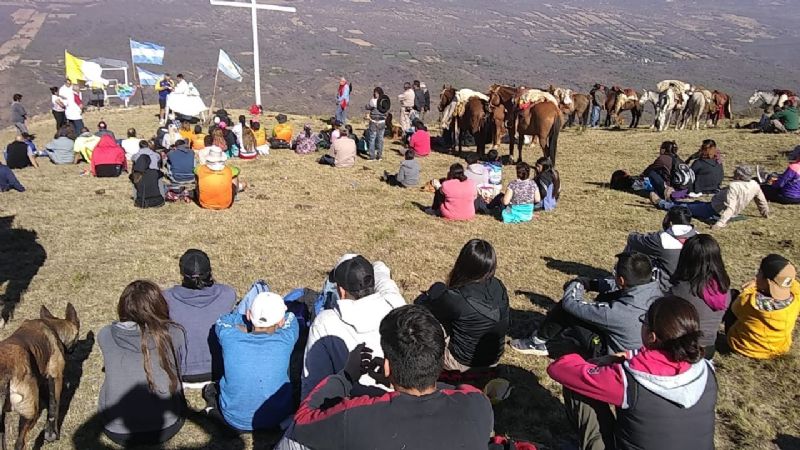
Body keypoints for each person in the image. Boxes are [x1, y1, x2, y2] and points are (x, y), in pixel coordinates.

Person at [281, 305, 494, 450]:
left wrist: (346, 376)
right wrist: (394, 379)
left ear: (386, 366)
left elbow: (302, 423)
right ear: (439, 361)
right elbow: (450, 390)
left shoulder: (354, 417)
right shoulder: (478, 405)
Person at [547, 296, 718, 450]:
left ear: (651, 337)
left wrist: (591, 361)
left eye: (644, 321)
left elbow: (560, 369)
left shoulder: (630, 379)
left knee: (577, 384)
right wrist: (624, 357)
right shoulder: (707, 370)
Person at [510, 252, 662, 357]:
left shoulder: (617, 312)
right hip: (640, 348)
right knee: (607, 295)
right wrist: (592, 284)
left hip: (612, 354)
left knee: (567, 310)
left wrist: (577, 283)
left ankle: (536, 343)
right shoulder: (658, 290)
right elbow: (614, 285)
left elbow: (571, 303)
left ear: (622, 280)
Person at [301, 254, 405, 399]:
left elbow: (313, 384)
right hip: (398, 401)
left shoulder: (325, 322)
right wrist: (377, 265)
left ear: (341, 291)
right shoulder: (396, 305)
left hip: (347, 411)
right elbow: (385, 279)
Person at [97, 280, 186, 447]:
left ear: (122, 307)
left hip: (116, 431)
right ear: (159, 306)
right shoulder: (175, 333)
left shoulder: (105, 335)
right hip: (167, 426)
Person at [204, 291, 299, 431]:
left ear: (249, 315)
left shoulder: (229, 337)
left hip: (234, 419)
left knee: (212, 390)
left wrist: (247, 318)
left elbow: (223, 320)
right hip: (278, 417)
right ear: (280, 321)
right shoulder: (286, 338)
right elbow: (291, 317)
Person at [418, 239, 509, 371]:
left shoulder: (457, 297)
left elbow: (431, 308)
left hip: (461, 362)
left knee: (424, 321)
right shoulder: (499, 286)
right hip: (493, 359)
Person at [164, 249, 237, 383]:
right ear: (210, 271)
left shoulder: (166, 298)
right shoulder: (228, 294)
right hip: (219, 369)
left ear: (182, 273)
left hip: (182, 372)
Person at [726, 254, 800, 359]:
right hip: (779, 349)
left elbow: (735, 309)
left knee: (732, 295)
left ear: (767, 282)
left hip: (745, 348)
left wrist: (751, 287)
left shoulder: (750, 301)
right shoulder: (797, 297)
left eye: (759, 273)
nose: (756, 276)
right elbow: (793, 284)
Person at [652, 165, 769, 230]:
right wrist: (765, 212)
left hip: (714, 211)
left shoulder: (734, 186)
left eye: (735, 173)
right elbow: (761, 201)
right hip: (720, 209)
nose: (733, 174)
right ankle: (669, 201)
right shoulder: (754, 185)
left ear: (739, 175)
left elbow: (731, 207)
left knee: (684, 207)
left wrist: (720, 224)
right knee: (695, 204)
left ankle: (661, 203)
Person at [669, 234, 731, 358]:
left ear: (685, 258)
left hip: (683, 350)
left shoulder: (679, 290)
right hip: (709, 348)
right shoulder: (723, 288)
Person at [624, 206, 697, 291]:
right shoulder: (700, 238)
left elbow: (633, 239)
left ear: (668, 220)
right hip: (693, 287)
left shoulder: (662, 239)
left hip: (666, 288)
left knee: (634, 248)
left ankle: (622, 278)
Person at [364, 87, 388, 161]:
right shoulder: (385, 101)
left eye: (376, 93)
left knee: (372, 139)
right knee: (380, 139)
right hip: (382, 122)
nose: (375, 94)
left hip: (374, 121)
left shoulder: (373, 101)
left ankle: (372, 156)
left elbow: (367, 107)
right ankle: (379, 156)